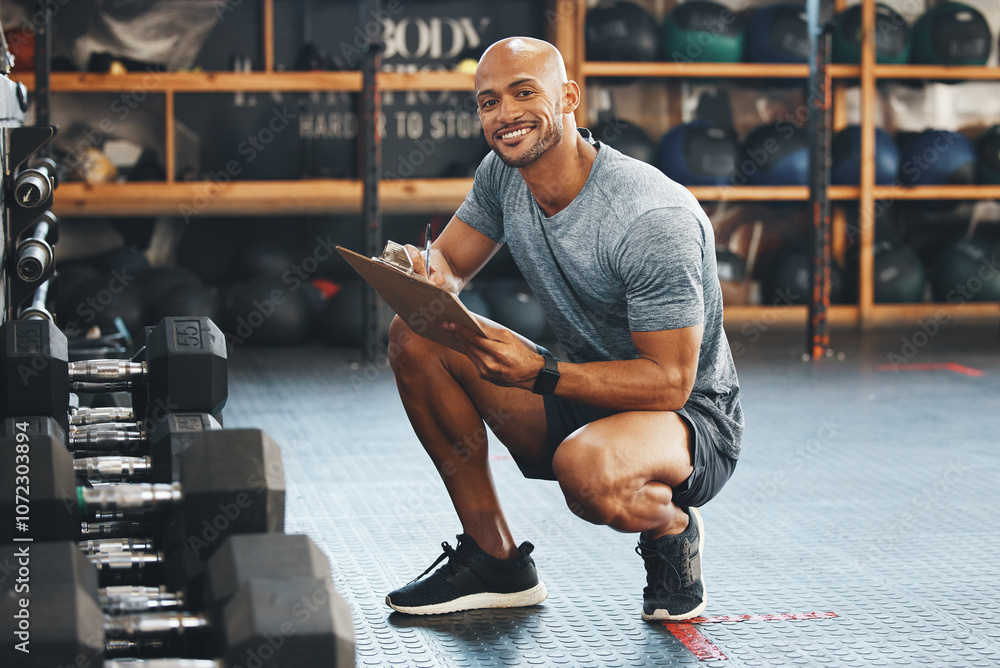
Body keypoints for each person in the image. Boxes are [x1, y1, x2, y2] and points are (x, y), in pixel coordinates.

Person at [384, 36, 743, 621]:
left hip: (686, 420)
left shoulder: (651, 219)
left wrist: (543, 373)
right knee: (416, 332)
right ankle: (495, 560)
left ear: (569, 97)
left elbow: (671, 383)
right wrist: (420, 271)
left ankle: (670, 526)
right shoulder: (505, 175)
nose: (505, 114)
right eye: (488, 102)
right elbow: (448, 267)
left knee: (586, 470)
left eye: (524, 93)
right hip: (579, 391)